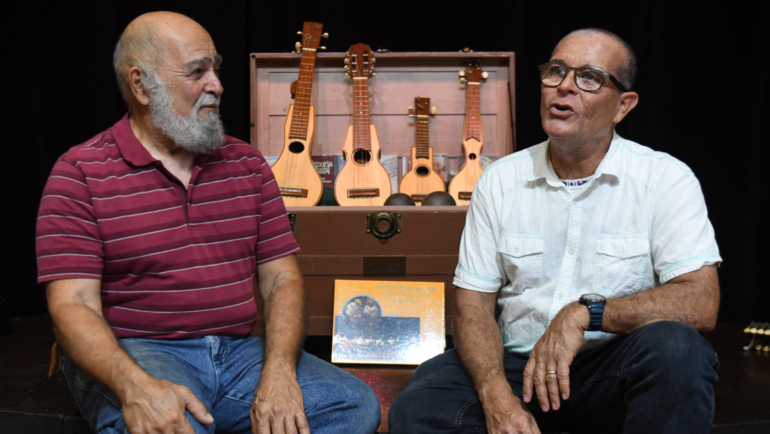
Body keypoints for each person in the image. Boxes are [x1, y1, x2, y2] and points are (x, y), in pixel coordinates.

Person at [36, 11, 380, 434]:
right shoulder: (80, 172)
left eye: (215, 68)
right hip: (139, 353)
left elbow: (281, 281)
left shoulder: (247, 164)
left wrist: (278, 372)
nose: (216, 85)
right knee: (169, 425)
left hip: (241, 355)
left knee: (353, 405)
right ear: (141, 85)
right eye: (197, 72)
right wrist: (135, 387)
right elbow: (73, 305)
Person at [389, 28, 721, 434]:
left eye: (589, 78)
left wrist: (587, 312)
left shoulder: (665, 178)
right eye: (556, 71)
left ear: (623, 105)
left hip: (611, 367)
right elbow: (473, 306)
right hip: (517, 368)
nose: (564, 87)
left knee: (679, 349)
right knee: (421, 404)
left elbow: (701, 302)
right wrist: (497, 397)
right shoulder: (499, 180)